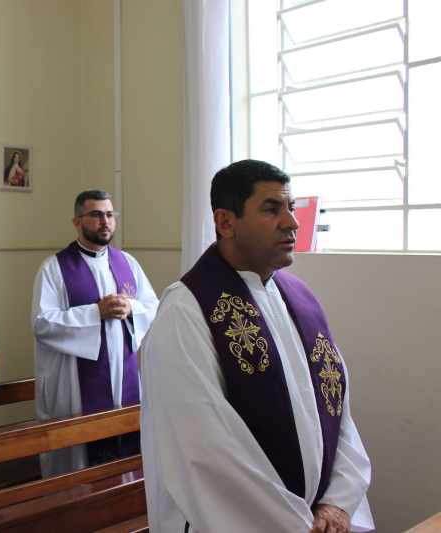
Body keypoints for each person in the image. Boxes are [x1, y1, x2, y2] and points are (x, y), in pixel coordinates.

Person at [140, 160, 373, 533]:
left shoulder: (299, 299)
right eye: (271, 209)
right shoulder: (186, 312)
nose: (292, 222)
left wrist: (337, 503)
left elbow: (337, 411)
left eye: (291, 207)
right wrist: (297, 526)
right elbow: (206, 450)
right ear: (225, 222)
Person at [32, 189, 159, 477]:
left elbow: (153, 306)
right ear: (77, 222)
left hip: (124, 376)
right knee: (79, 465)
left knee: (126, 450)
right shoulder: (54, 268)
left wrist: (130, 307)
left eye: (110, 214)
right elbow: (42, 323)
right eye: (97, 215)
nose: (106, 221)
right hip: (78, 381)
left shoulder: (127, 263)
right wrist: (94, 313)